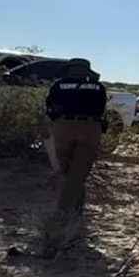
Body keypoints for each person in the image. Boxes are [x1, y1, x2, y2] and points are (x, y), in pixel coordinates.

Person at [44, 58, 108, 218]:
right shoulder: (98, 87)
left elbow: (50, 107)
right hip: (90, 128)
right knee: (78, 174)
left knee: (67, 173)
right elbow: (101, 108)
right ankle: (69, 212)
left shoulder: (58, 85)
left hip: (63, 127)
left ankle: (68, 213)